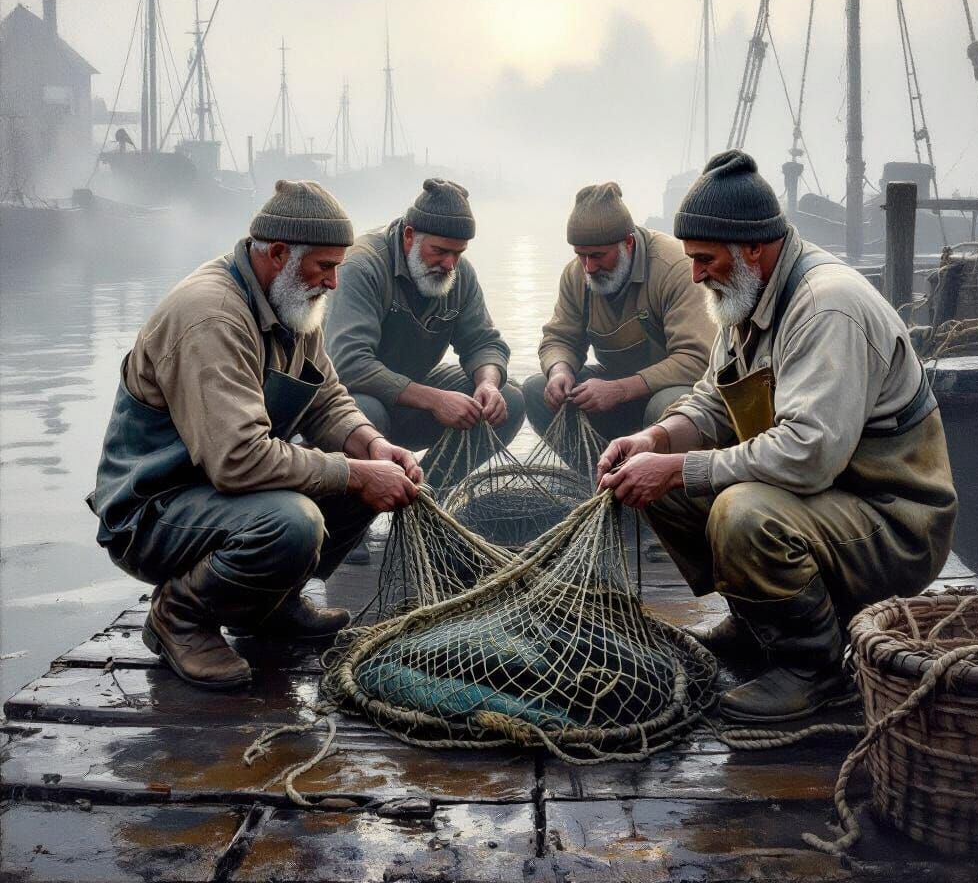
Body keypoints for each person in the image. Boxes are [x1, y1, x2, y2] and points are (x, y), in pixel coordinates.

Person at [598, 150, 957, 722]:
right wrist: (658, 441)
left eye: (704, 259)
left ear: (753, 249)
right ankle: (761, 623)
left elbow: (809, 455)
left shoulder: (826, 306)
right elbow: (715, 398)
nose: (694, 274)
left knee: (741, 512)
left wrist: (681, 467)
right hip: (828, 497)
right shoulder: (744, 295)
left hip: (894, 521)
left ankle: (815, 667)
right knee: (660, 485)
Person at [87, 180, 422, 691]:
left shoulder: (293, 297)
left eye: (337, 266)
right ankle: (179, 616)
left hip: (218, 492)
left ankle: (268, 607)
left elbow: (326, 396)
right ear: (281, 253)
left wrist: (372, 446)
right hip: (154, 510)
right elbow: (239, 460)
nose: (334, 282)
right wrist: (353, 472)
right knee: (295, 522)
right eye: (325, 267)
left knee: (365, 486)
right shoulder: (212, 316)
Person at [326, 179, 524, 473]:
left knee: (509, 398)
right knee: (367, 412)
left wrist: (488, 383)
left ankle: (431, 496)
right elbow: (348, 364)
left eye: (458, 253)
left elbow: (484, 343)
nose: (449, 264)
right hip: (349, 402)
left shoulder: (459, 273)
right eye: (440, 251)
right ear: (409, 235)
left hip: (410, 399)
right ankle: (359, 508)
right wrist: (435, 400)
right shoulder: (360, 267)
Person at [523, 181, 714, 461]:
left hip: (672, 392)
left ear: (628, 243)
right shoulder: (577, 275)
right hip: (616, 391)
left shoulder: (675, 268)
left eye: (598, 256)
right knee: (535, 389)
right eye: (581, 255)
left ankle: (661, 493)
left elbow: (698, 359)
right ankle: (598, 482)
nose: (589, 267)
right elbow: (559, 338)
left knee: (667, 405)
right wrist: (559, 370)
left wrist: (621, 389)